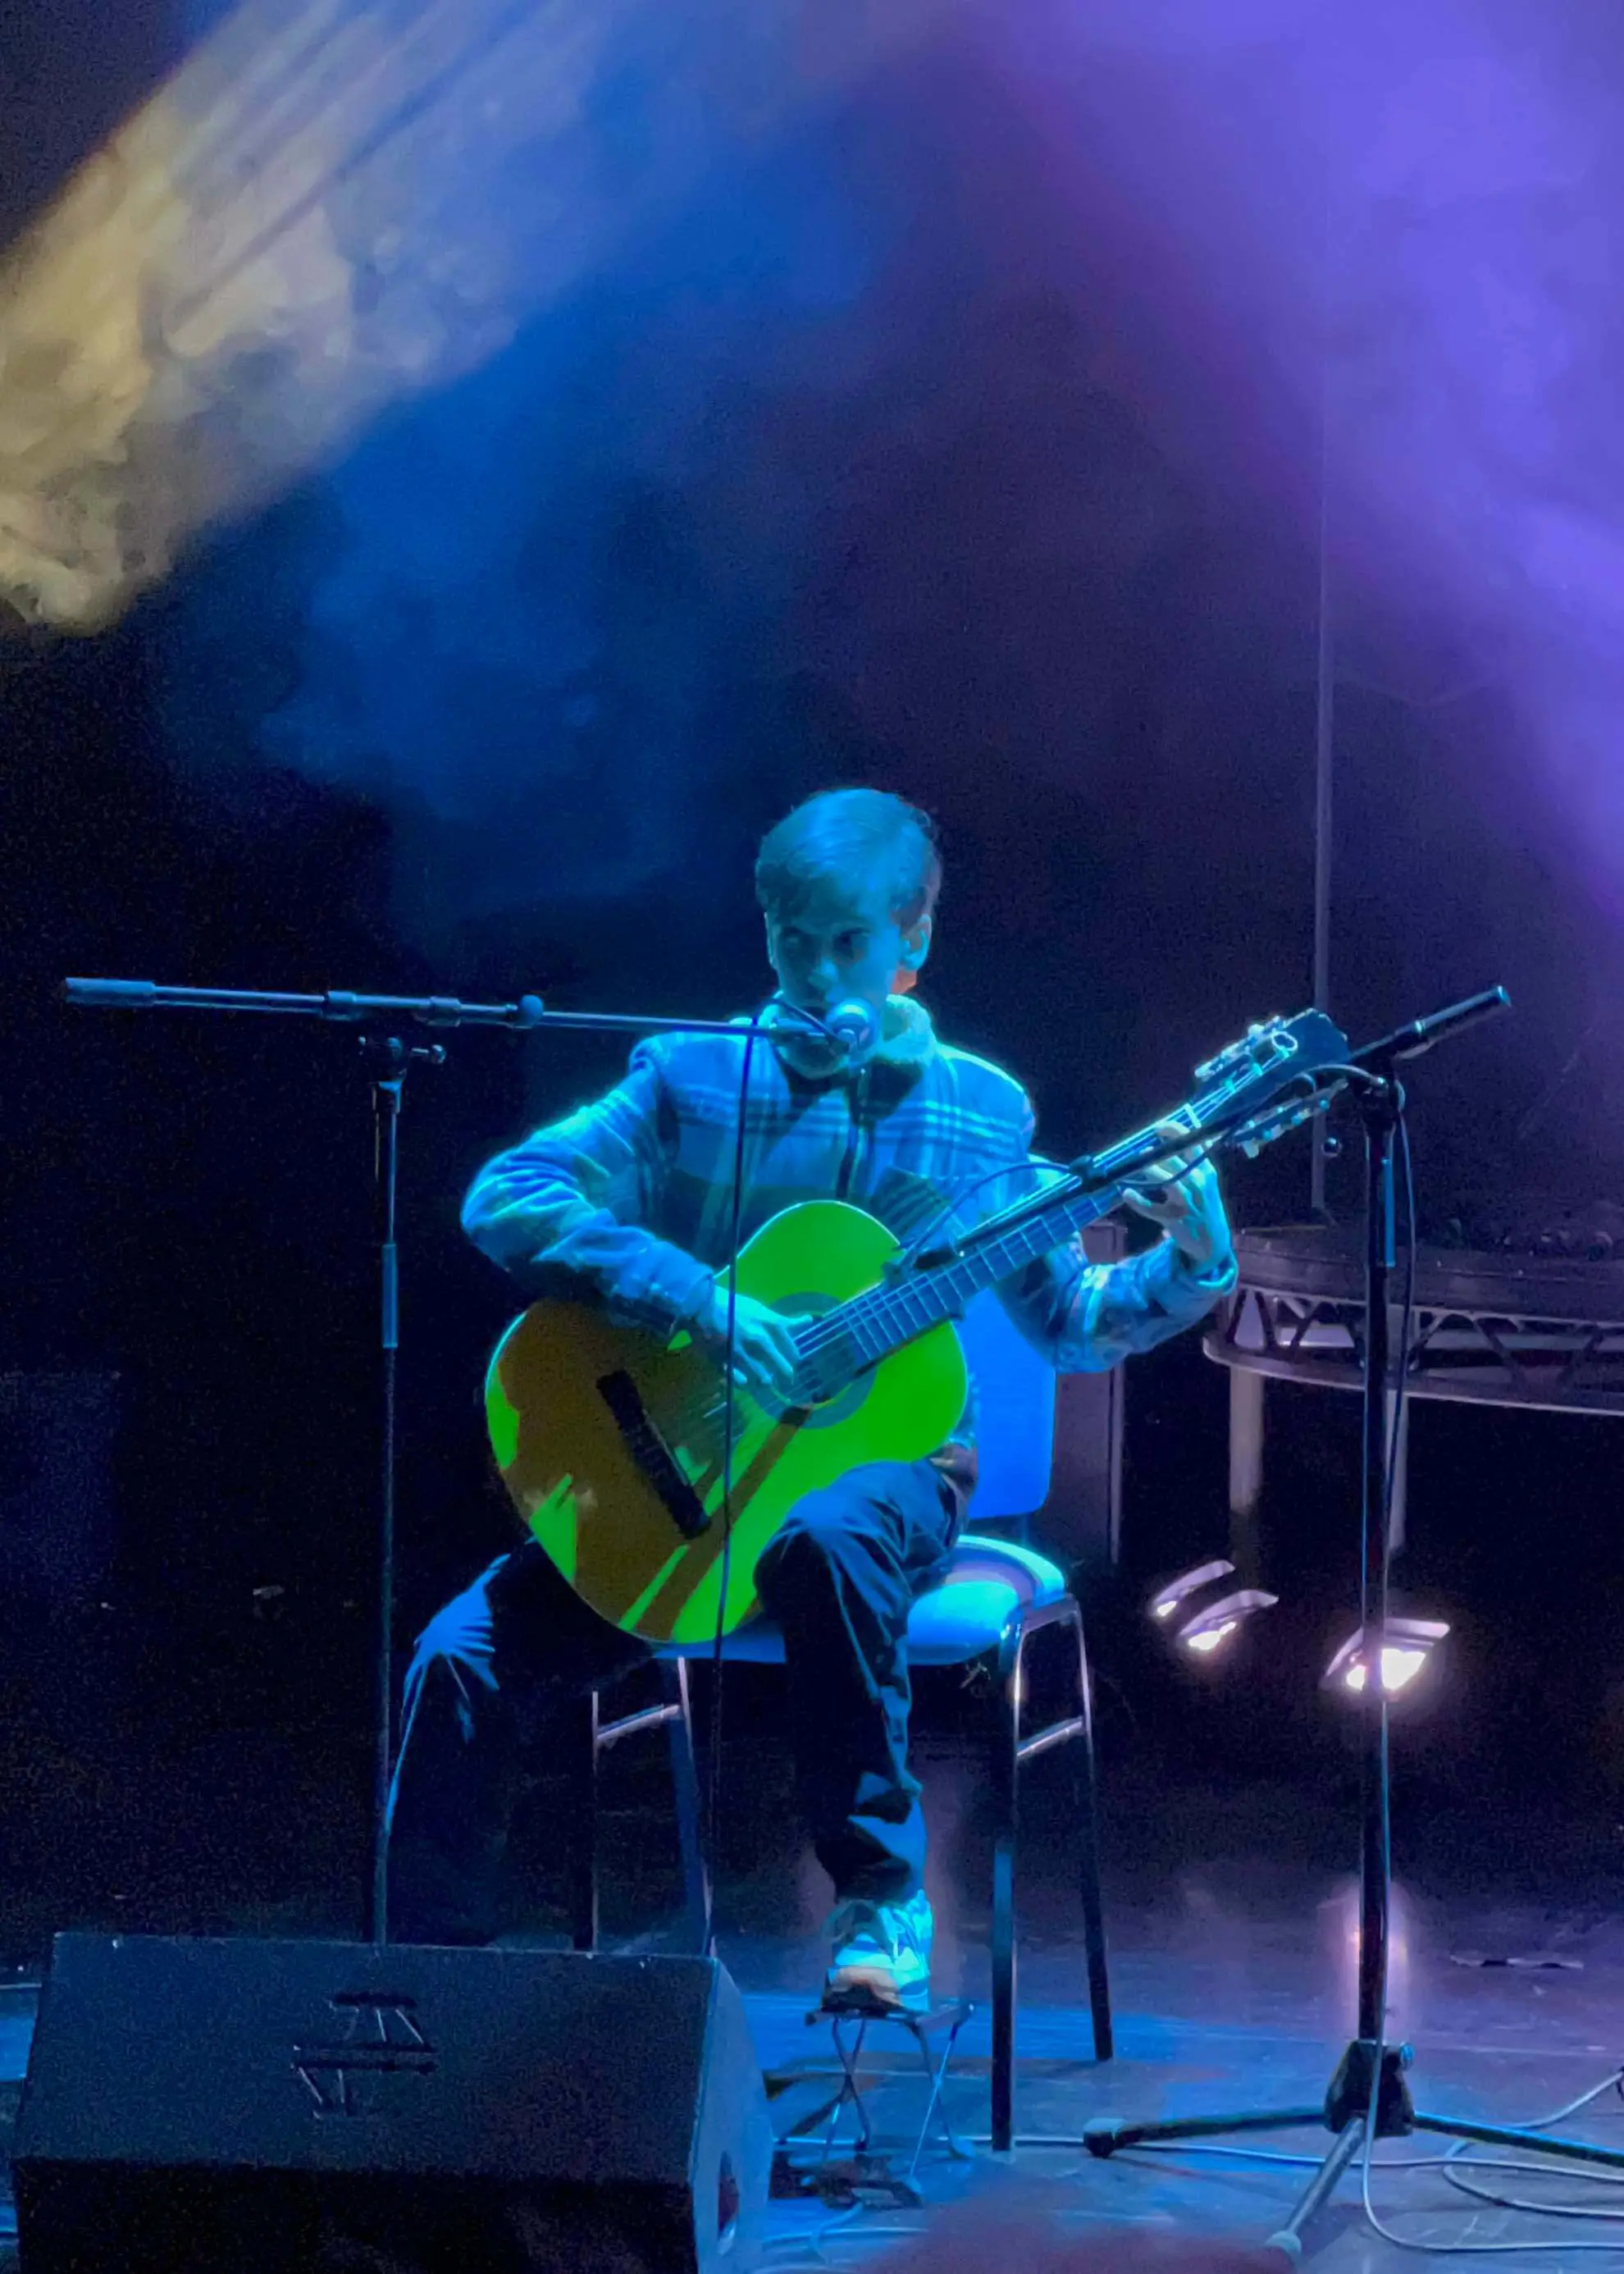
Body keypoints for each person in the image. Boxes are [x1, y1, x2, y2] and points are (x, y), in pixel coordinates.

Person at [385, 788, 1236, 2007]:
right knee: (459, 1656)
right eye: (792, 938)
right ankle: (420, 1999)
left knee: (827, 1537)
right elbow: (509, 1195)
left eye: (848, 944)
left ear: (912, 943)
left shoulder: (982, 1111)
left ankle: (880, 1905)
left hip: (895, 1484)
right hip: (682, 1483)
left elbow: (1074, 1322)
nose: (817, 973)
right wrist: (703, 1303)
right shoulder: (689, 1077)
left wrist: (1193, 1263)